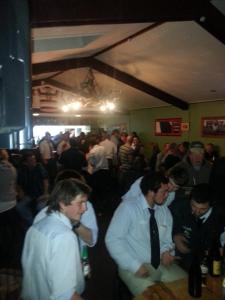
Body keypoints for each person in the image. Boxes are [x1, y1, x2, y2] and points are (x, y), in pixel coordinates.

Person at [105, 172, 187, 296]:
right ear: (150, 192)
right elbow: (112, 240)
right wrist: (134, 265)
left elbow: (167, 241)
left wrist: (166, 251)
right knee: (153, 296)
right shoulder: (128, 208)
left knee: (186, 287)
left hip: (159, 262)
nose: (167, 195)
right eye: (163, 192)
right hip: (133, 263)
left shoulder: (164, 212)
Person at [22, 178, 91, 300]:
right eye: (80, 202)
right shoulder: (64, 236)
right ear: (63, 204)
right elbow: (65, 295)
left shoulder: (36, 226)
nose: (85, 208)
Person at [34, 169, 98, 249]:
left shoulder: (85, 206)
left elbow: (92, 240)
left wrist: (75, 223)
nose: (84, 208)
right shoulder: (42, 216)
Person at [171, 183, 225, 271]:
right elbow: (165, 226)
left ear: (211, 205)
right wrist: (175, 236)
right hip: (181, 258)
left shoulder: (220, 214)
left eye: (203, 209)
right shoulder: (179, 206)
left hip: (209, 258)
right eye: (193, 206)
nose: (197, 211)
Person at [122, 166, 189, 207]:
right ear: (166, 176)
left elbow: (161, 210)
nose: (171, 188)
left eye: (176, 187)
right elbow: (127, 199)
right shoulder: (147, 181)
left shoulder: (172, 195)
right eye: (170, 183)